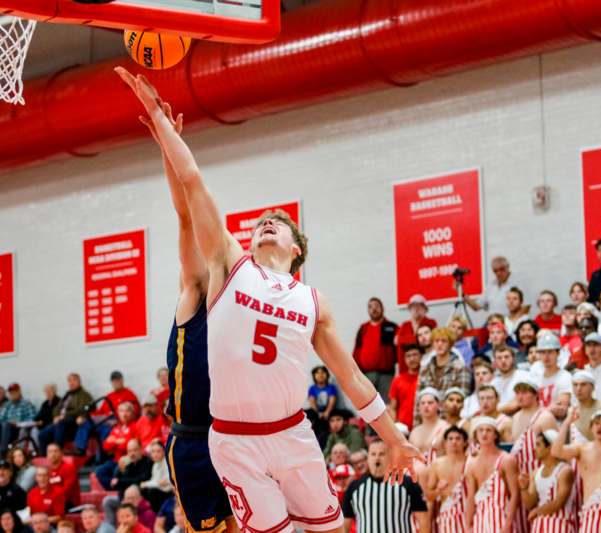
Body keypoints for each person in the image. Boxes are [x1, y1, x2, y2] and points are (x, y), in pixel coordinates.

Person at [120, 68, 421, 533]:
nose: (265, 224)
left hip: (292, 433)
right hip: (231, 440)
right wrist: (159, 121)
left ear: (297, 249)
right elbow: (192, 187)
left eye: (277, 223)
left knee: (333, 530)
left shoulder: (312, 300)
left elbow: (354, 378)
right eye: (260, 221)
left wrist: (393, 438)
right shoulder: (228, 267)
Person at [137, 106, 236, 533]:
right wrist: (168, 145)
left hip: (232, 435)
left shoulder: (239, 305)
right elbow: (184, 215)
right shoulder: (194, 291)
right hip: (192, 440)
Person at [343, 440, 429, 533]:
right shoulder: (355, 487)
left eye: (382, 454)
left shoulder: (407, 483)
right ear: (368, 458)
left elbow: (423, 520)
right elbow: (345, 524)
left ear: (391, 457)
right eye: (373, 454)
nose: (377, 458)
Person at [464, 417, 520, 533]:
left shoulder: (506, 459)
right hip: (479, 522)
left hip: (501, 520)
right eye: (480, 430)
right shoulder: (471, 463)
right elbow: (470, 497)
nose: (484, 434)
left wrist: (508, 524)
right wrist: (468, 525)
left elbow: (515, 494)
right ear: (476, 435)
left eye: (488, 430)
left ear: (495, 435)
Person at [518, 430, 576, 532]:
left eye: (538, 445)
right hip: (540, 525)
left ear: (549, 447)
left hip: (560, 525)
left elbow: (559, 502)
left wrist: (537, 511)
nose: (534, 448)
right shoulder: (536, 473)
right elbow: (529, 504)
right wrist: (523, 488)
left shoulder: (565, 471)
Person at [504, 377, 558, 485]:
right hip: (521, 474)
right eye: (517, 393)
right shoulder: (515, 417)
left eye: (524, 392)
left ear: (536, 394)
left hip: (541, 474)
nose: (520, 396)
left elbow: (555, 451)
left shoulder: (545, 417)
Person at [75, 371, 140, 456]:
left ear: (122, 381)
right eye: (114, 381)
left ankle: (100, 456)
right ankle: (80, 448)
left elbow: (134, 411)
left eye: (118, 380)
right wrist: (86, 417)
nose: (116, 383)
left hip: (116, 421)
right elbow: (100, 411)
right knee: (86, 423)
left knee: (106, 429)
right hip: (104, 419)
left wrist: (118, 419)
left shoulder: (129, 394)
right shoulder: (110, 395)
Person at [352, 297, 398, 401]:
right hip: (366, 376)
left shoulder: (391, 327)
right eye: (370, 307)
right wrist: (356, 374)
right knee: (368, 405)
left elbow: (399, 350)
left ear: (382, 308)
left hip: (386, 376)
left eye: (377, 306)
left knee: (387, 405)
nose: (374, 309)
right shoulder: (363, 328)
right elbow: (357, 350)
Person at [426, 426, 468, 533]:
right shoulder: (437, 464)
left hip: (469, 514)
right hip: (447, 516)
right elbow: (429, 496)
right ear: (445, 443)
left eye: (458, 438)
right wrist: (438, 490)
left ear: (465, 442)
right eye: (450, 438)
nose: (454, 442)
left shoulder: (471, 463)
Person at [38, 373, 92, 452]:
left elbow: (82, 410)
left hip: (73, 422)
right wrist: (56, 416)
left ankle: (57, 452)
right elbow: (57, 408)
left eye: (74, 380)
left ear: (79, 381)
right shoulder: (68, 395)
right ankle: (44, 457)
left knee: (60, 424)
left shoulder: (84, 395)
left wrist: (64, 415)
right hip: (62, 421)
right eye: (69, 381)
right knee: (42, 434)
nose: (71, 383)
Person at [418, 328, 470, 402]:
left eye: (444, 341)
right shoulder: (424, 369)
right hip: (428, 411)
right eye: (436, 341)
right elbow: (418, 398)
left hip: (451, 412)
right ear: (432, 344)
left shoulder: (461, 368)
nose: (440, 344)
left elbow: (463, 398)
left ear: (450, 344)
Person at [96, 403, 139, 490]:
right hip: (116, 459)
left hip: (130, 459)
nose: (124, 414)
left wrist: (114, 441)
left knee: (118, 470)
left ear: (132, 413)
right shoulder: (116, 428)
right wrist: (118, 441)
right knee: (100, 471)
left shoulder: (136, 426)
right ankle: (114, 489)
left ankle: (121, 489)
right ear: (118, 413)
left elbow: (127, 446)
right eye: (121, 411)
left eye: (127, 411)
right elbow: (105, 446)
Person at [530, 331, 572, 410]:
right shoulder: (535, 376)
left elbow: (561, 409)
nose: (546, 356)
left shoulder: (565, 377)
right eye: (543, 352)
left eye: (550, 352)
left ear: (558, 353)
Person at [0, 383, 36, 459]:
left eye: (14, 392)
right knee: (3, 425)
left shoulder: (26, 403)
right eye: (10, 393)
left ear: (19, 392)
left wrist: (18, 423)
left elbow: (33, 419)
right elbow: (0, 417)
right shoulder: (7, 405)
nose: (12, 394)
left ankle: (3, 451)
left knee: (6, 425)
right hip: (8, 428)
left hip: (20, 428)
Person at [396, 295, 438, 373]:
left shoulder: (431, 323)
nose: (416, 309)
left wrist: (407, 339)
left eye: (420, 306)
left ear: (425, 309)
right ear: (410, 309)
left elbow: (433, 340)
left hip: (427, 365)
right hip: (407, 369)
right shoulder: (405, 325)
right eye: (413, 307)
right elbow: (397, 341)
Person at [409, 389, 449, 466]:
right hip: (416, 475)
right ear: (419, 407)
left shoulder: (446, 427)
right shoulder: (414, 432)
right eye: (422, 403)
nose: (426, 406)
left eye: (430, 402)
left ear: (438, 405)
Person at [389, 344, 421, 429]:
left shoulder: (426, 378)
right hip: (403, 428)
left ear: (421, 356)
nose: (412, 359)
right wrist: (395, 426)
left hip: (421, 427)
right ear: (404, 359)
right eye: (408, 356)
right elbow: (393, 408)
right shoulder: (397, 380)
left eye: (415, 355)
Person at [571, 371, 601, 443]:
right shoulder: (571, 411)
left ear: (592, 387)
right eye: (575, 385)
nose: (578, 389)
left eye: (583, 384)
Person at [307, 366, 338, 446]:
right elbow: (312, 402)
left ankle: (325, 439)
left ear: (327, 375)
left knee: (340, 413)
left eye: (323, 372)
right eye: (317, 372)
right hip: (316, 411)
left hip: (328, 410)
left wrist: (327, 412)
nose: (320, 374)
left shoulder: (331, 387)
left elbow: (332, 401)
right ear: (314, 376)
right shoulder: (312, 388)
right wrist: (318, 413)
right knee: (307, 413)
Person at [492, 345, 527, 415]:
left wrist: (493, 411)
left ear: (513, 359)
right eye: (499, 358)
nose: (503, 360)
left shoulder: (524, 376)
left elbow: (515, 405)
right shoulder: (493, 383)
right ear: (495, 362)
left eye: (506, 357)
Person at [139, 441, 171, 513]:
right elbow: (156, 481)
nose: (155, 454)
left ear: (164, 452)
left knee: (151, 491)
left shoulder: (167, 463)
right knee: (143, 489)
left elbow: (163, 482)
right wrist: (147, 484)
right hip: (159, 491)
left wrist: (146, 483)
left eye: (158, 451)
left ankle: (156, 513)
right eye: (153, 452)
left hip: (168, 493)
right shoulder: (155, 465)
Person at [45, 444, 79, 509]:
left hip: (69, 502)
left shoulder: (68, 468)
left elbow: (67, 490)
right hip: (52, 500)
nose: (53, 454)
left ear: (61, 453)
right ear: (46, 455)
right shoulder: (47, 470)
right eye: (50, 452)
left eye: (55, 451)